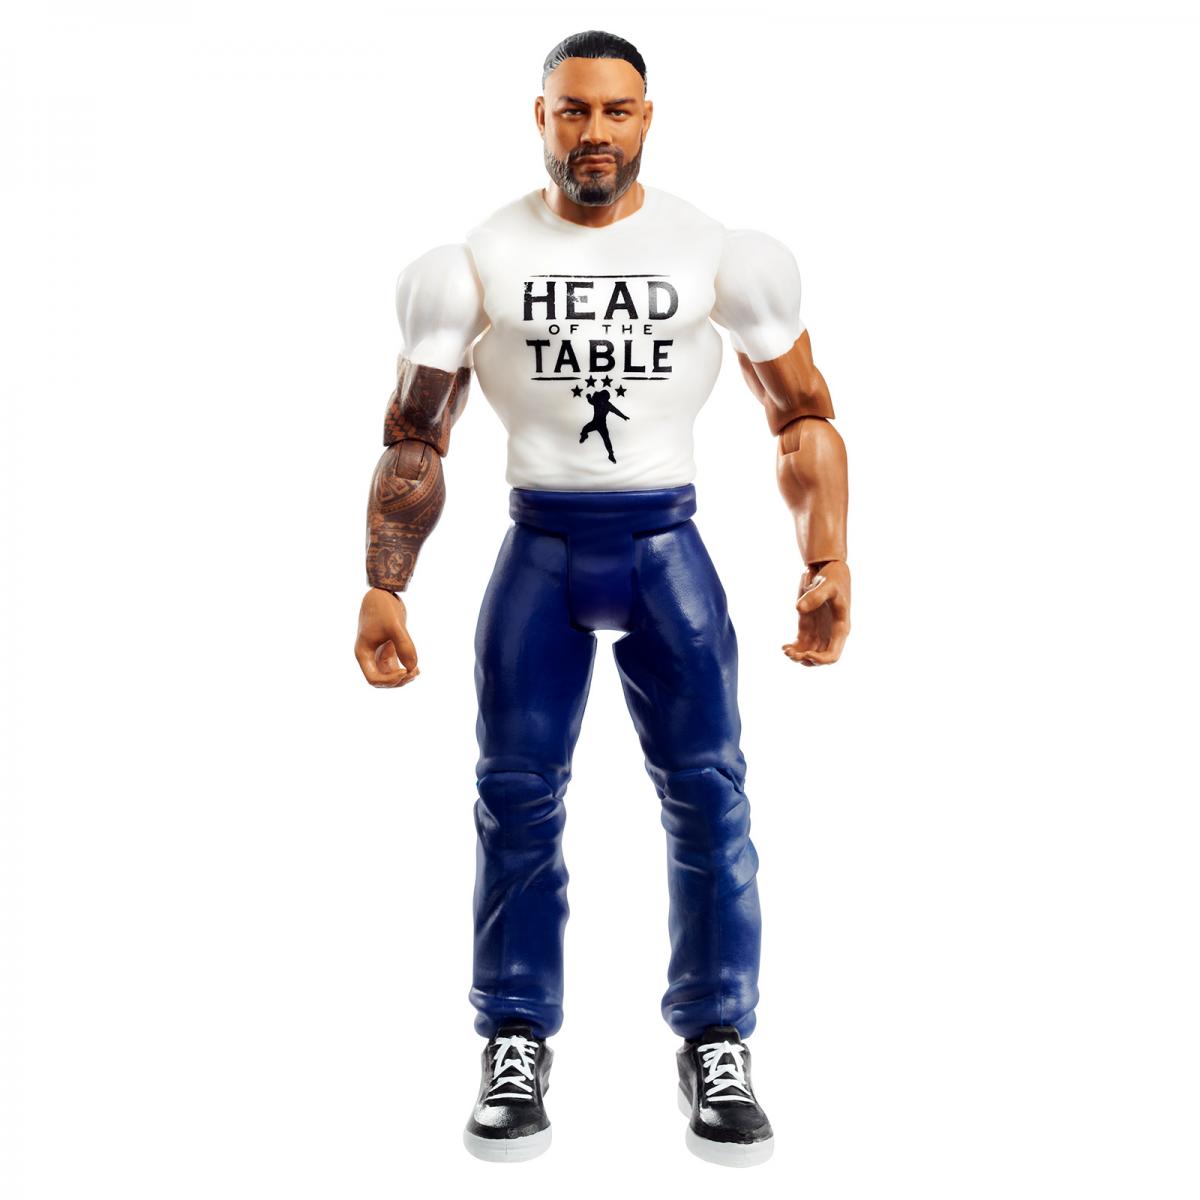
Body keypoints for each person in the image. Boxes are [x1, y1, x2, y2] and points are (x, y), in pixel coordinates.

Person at [353, 30, 851, 1167]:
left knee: (709, 796)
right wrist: (385, 583)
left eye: (615, 111)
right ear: (540, 117)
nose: (594, 132)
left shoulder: (715, 251)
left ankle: (717, 1039)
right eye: (573, 110)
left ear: (646, 119)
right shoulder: (476, 260)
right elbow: (416, 435)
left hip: (665, 540)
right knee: (515, 798)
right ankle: (514, 1037)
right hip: (540, 541)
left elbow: (802, 413)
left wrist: (826, 557)